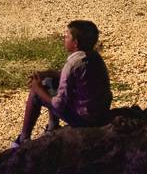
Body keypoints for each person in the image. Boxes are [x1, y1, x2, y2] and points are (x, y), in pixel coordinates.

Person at [11, 19, 111, 149]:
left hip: (84, 120)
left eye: (67, 36)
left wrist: (38, 88)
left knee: (39, 91)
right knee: (50, 80)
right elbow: (76, 79)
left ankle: (22, 139)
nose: (64, 38)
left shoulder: (72, 64)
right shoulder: (93, 57)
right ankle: (52, 127)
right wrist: (51, 72)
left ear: (76, 43)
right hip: (100, 112)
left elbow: (58, 105)